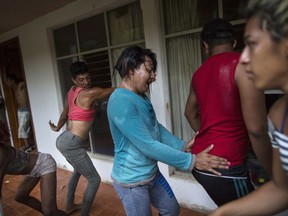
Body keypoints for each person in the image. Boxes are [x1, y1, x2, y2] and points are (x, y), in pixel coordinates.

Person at [107, 46, 230, 216]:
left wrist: (182, 146)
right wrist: (192, 161)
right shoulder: (120, 102)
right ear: (130, 70)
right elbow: (148, 145)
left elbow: (155, 128)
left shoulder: (140, 96)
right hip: (132, 181)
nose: (154, 76)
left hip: (151, 173)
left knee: (171, 209)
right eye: (149, 70)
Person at [209, 0, 288, 215]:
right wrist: (222, 213)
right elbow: (282, 189)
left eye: (252, 45)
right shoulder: (280, 113)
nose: (243, 58)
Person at [184, 18, 272, 206]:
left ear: (205, 46)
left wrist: (208, 135)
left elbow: (189, 113)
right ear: (233, 43)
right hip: (225, 169)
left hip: (200, 161)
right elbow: (257, 130)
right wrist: (273, 170)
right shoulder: (244, 66)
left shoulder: (198, 73)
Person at [49, 61, 115, 216]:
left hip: (65, 139)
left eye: (87, 78)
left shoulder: (71, 91)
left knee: (77, 171)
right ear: (74, 80)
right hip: (71, 143)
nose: (86, 82)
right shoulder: (89, 93)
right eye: (81, 80)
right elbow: (112, 90)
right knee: (94, 180)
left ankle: (70, 205)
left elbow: (65, 114)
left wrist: (58, 127)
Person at [0, 120, 67, 216]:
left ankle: (50, 212)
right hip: (32, 170)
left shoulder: (1, 153)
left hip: (44, 164)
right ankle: (48, 212)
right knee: (20, 197)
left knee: (50, 212)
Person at [4, 72, 34, 152]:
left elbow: (28, 82)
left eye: (8, 81)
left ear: (12, 81)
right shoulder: (14, 88)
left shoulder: (21, 85)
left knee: (22, 129)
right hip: (20, 110)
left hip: (25, 109)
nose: (7, 83)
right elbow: (6, 83)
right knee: (25, 128)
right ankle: (30, 144)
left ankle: (27, 145)